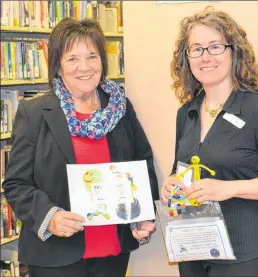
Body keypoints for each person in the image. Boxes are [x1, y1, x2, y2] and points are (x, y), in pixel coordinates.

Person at [3, 18, 159, 277]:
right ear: (58, 65)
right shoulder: (35, 113)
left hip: (113, 253)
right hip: (56, 256)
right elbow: (16, 183)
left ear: (102, 62)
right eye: (72, 59)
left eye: (92, 57)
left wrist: (143, 213)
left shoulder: (119, 108)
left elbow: (142, 164)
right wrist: (49, 217)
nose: (84, 68)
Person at [161, 7, 258, 277]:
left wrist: (229, 188)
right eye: (196, 49)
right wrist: (171, 183)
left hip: (241, 253)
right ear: (186, 57)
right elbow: (182, 166)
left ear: (233, 51)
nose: (206, 57)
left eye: (215, 46)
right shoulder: (186, 113)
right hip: (192, 246)